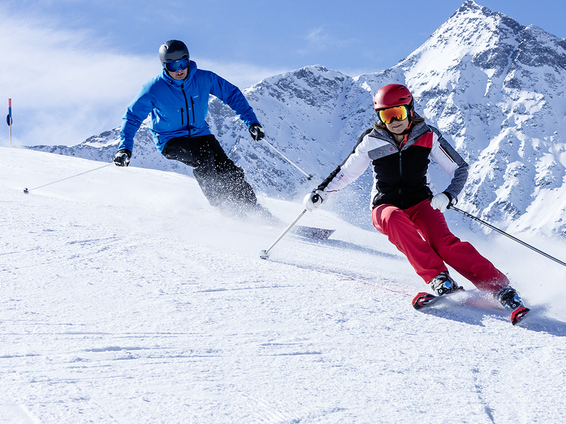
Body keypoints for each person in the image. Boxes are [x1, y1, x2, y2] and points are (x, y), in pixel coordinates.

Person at [302, 83, 525, 312]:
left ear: (410, 109)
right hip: (384, 206)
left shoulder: (427, 135)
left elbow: (459, 168)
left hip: (420, 203)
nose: (393, 121)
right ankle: (439, 278)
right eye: (386, 115)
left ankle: (498, 287)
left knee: (444, 244)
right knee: (394, 218)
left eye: (398, 113)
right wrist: (321, 193)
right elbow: (346, 173)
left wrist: (450, 195)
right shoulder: (372, 140)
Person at [114, 40, 266, 215]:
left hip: (200, 132)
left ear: (188, 60)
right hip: (169, 139)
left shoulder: (204, 78)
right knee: (203, 157)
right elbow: (133, 116)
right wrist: (124, 148)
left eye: (182, 63)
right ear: (165, 66)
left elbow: (232, 94)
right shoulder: (154, 89)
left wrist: (252, 122)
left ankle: (253, 209)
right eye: (172, 65)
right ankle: (221, 206)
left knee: (228, 169)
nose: (179, 69)